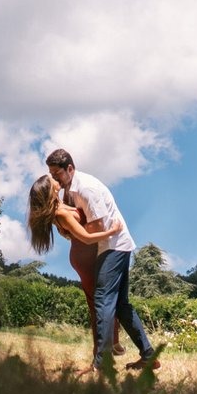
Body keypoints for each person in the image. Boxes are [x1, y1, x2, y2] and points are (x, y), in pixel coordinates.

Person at [34, 149, 157, 372]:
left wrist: (73, 231)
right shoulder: (68, 188)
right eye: (50, 174)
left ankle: (101, 364)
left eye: (57, 174)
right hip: (107, 246)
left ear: (69, 169)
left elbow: (97, 227)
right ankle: (148, 355)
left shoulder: (87, 188)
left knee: (103, 301)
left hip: (113, 246)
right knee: (121, 305)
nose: (54, 179)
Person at [26, 173, 124, 359]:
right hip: (86, 255)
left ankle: (112, 342)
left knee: (102, 301)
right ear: (50, 189)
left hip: (85, 254)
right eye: (53, 179)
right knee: (99, 304)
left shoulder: (60, 205)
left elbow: (72, 232)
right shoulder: (60, 212)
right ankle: (102, 352)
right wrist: (113, 231)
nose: (56, 179)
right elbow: (86, 238)